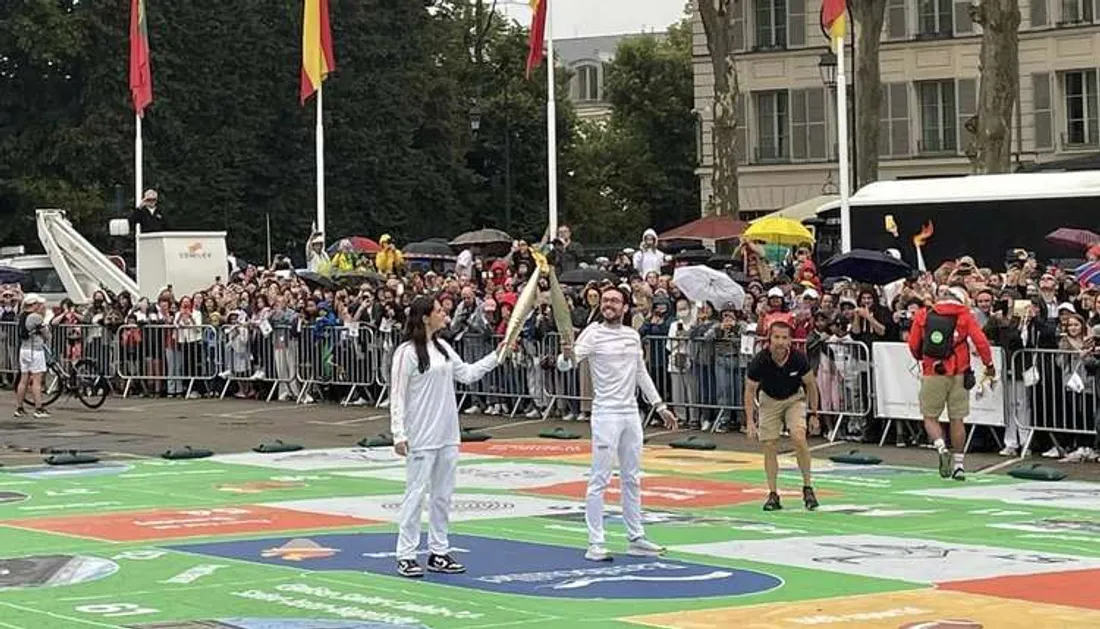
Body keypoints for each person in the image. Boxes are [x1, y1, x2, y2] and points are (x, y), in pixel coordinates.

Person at [558, 284, 678, 562]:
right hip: (605, 414)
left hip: (630, 414)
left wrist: (660, 406)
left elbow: (641, 373)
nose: (609, 304)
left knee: (632, 478)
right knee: (599, 478)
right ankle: (595, 542)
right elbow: (569, 364)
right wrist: (566, 355)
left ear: (625, 307)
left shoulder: (632, 336)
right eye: (605, 300)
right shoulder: (593, 333)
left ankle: (636, 537)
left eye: (615, 301)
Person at [389, 295, 503, 578]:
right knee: (415, 495)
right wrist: (398, 433)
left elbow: (468, 374)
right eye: (439, 311)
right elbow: (398, 395)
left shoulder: (443, 348)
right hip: (420, 436)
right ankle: (405, 554)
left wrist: (499, 354)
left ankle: (438, 551)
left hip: (448, 434)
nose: (445, 314)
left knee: (442, 496)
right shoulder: (407, 352)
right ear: (425, 317)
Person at [907, 285, 995, 481]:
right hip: (959, 372)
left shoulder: (924, 314)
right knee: (957, 419)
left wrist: (921, 357)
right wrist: (989, 364)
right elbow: (980, 341)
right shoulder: (964, 314)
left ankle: (940, 446)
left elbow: (913, 345)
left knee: (930, 416)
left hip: (932, 370)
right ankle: (959, 465)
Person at [743, 317, 820, 511]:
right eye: (776, 337)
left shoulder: (798, 358)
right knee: (769, 444)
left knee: (798, 436)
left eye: (784, 337)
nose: (780, 342)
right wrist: (750, 421)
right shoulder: (760, 360)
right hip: (769, 399)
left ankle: (807, 486)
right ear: (769, 339)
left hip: (794, 398)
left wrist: (814, 413)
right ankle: (773, 493)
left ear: (790, 340)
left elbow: (811, 385)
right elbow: (750, 390)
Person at [15, 294, 50, 419]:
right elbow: (47, 335)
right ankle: (39, 408)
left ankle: (19, 407)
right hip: (34, 350)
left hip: (23, 349)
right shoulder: (35, 317)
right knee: (37, 380)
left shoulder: (21, 316)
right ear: (34, 305)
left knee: (23, 379)